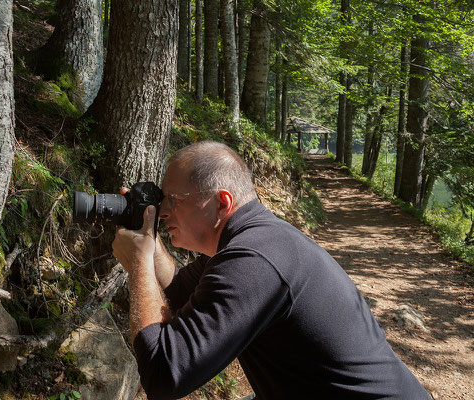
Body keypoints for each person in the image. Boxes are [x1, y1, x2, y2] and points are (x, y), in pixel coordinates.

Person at [112, 141, 430, 399]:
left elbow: (162, 375)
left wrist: (139, 264)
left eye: (174, 200)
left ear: (221, 203)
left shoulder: (253, 262)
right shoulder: (252, 241)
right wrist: (147, 241)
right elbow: (179, 291)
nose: (163, 211)